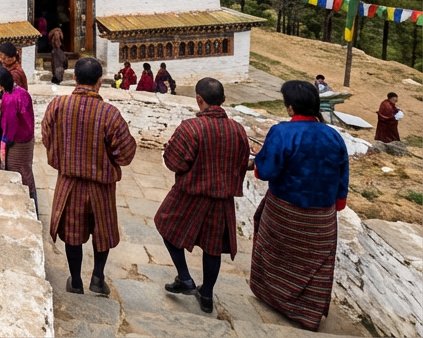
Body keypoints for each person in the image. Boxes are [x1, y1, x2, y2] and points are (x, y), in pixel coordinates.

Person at [250, 80, 349, 331]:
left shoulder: (282, 132)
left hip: (285, 211)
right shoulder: (334, 136)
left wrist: (258, 164)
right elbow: (342, 175)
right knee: (315, 263)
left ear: (291, 107)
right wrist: (338, 202)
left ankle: (275, 296)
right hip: (322, 216)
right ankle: (308, 312)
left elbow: (267, 170)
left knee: (276, 252)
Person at [42, 56, 137, 297]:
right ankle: (97, 277)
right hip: (101, 186)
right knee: (102, 232)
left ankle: (75, 281)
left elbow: (47, 137)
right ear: (99, 81)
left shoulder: (57, 106)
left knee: (72, 234)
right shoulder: (110, 114)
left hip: (69, 183)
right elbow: (126, 153)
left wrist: (64, 156)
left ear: (74, 78)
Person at [154, 78, 250, 314]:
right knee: (212, 247)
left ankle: (185, 278)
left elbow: (174, 162)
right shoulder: (238, 130)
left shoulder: (191, 128)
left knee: (166, 226)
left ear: (199, 99)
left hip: (190, 195)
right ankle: (206, 294)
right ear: (223, 100)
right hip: (222, 199)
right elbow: (242, 163)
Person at [0, 65, 36, 201]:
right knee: (26, 170)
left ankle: (23, 200)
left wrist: (6, 139)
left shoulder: (10, 98)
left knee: (17, 172)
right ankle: (32, 199)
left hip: (17, 141)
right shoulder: (22, 92)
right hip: (28, 139)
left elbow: (10, 122)